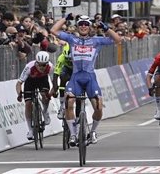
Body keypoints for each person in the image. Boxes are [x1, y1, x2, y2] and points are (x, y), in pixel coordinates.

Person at [51, 14, 122, 146]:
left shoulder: (97, 40)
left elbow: (117, 39)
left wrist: (106, 28)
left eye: (86, 24)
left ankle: (93, 131)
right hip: (76, 77)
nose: (83, 26)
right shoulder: (72, 39)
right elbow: (53, 31)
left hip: (90, 78)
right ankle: (73, 134)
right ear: (77, 26)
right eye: (81, 24)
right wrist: (65, 18)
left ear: (89, 27)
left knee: (99, 107)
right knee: (68, 101)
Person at [16, 51, 53, 140]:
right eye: (39, 65)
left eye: (44, 65)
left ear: (47, 64)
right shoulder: (29, 67)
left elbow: (54, 83)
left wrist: (50, 94)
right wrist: (19, 94)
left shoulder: (51, 67)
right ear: (36, 62)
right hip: (30, 81)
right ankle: (30, 130)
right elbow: (19, 83)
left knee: (45, 95)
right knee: (28, 104)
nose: (41, 67)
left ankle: (44, 111)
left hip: (43, 80)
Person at [51, 42, 73, 119]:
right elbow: (55, 74)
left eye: (71, 59)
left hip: (76, 69)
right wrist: (55, 87)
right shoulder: (61, 57)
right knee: (63, 77)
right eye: (68, 59)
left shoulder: (79, 58)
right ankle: (61, 105)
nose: (70, 61)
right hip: (66, 69)